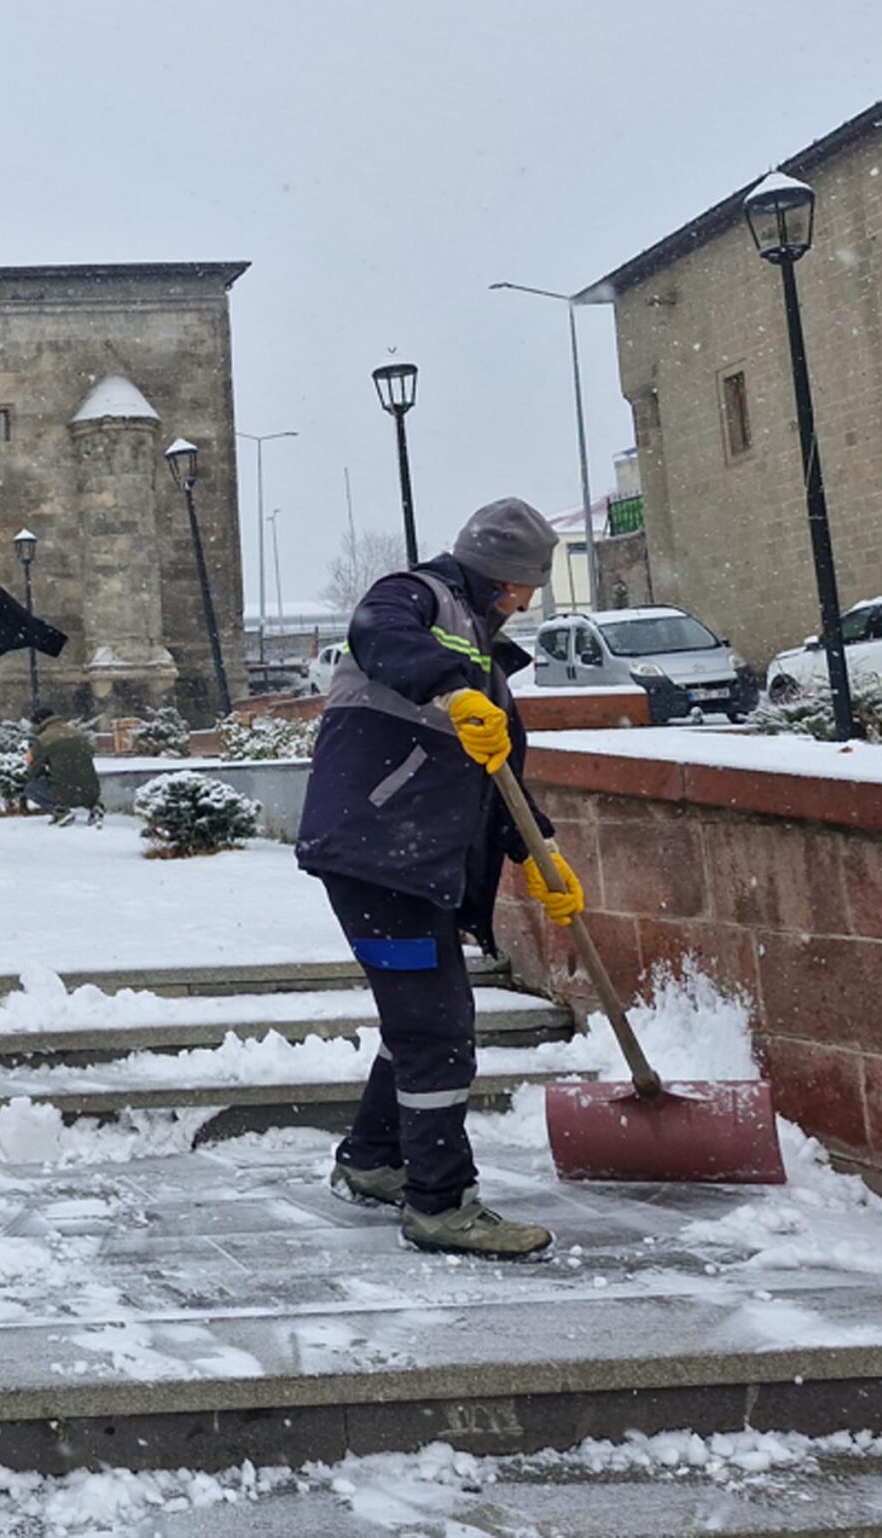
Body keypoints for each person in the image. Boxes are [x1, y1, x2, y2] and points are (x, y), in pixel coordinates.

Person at [294, 498, 585, 1261]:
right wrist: (450, 687)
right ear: (503, 578)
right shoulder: (414, 597)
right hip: (375, 856)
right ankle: (440, 1203)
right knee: (436, 1029)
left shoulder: (482, 648)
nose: (528, 602)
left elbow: (491, 783)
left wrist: (541, 858)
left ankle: (372, 1160)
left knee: (424, 1020)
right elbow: (378, 632)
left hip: (409, 862)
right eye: (527, 586)